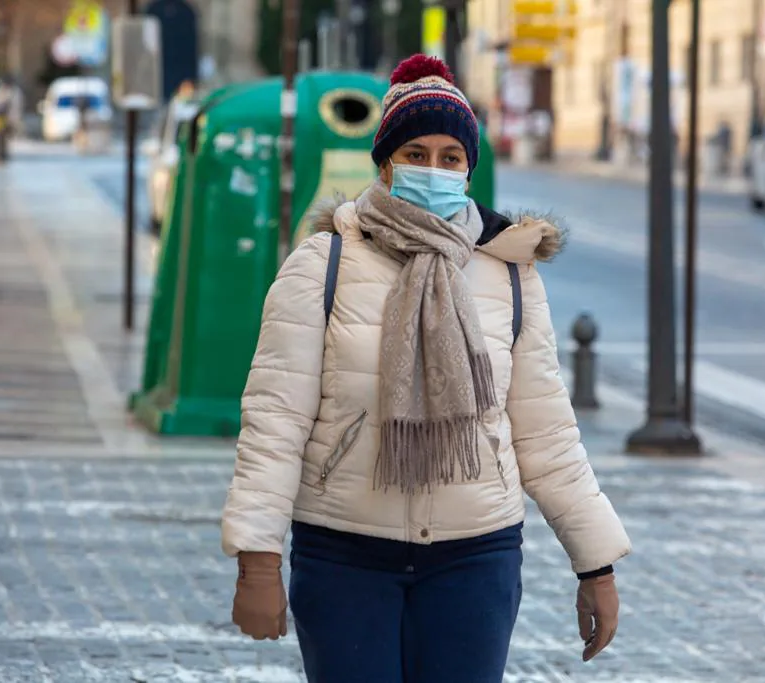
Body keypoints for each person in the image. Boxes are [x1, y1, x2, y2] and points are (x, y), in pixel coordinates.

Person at [221, 54, 632, 683]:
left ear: (468, 168)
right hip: (345, 553)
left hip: (476, 557)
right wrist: (257, 560)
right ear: (385, 163)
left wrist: (596, 565)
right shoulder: (322, 265)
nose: (432, 169)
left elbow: (547, 434)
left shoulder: (509, 276)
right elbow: (275, 421)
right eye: (415, 153)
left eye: (449, 157)